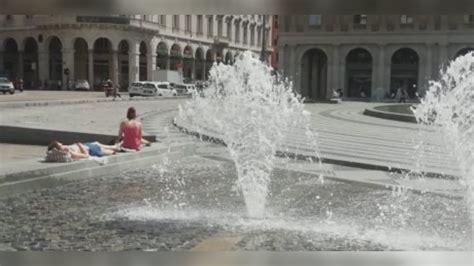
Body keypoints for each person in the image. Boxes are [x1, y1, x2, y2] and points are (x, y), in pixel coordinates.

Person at [48, 140, 119, 160]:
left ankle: (114, 147)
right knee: (107, 151)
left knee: (96, 143)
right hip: (90, 150)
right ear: (59, 149)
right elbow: (86, 155)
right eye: (61, 145)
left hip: (87, 146)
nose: (63, 144)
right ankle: (114, 148)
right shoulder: (71, 153)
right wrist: (80, 145)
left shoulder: (67, 149)